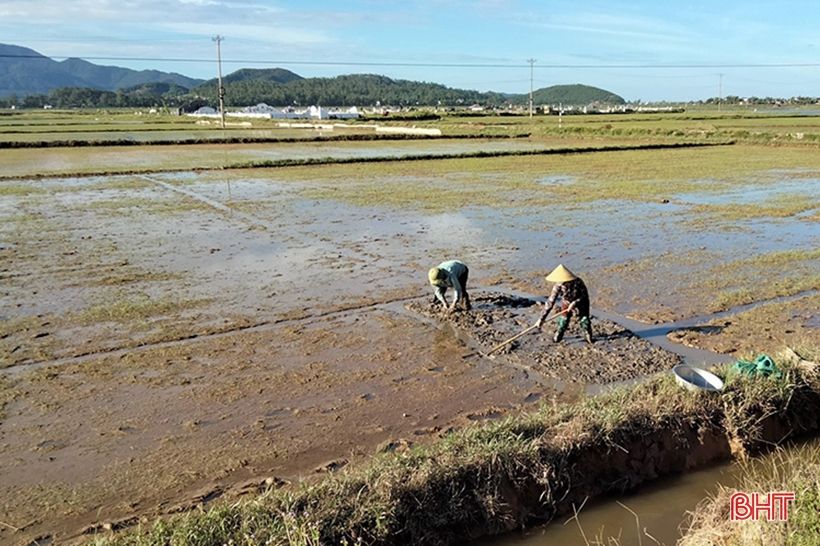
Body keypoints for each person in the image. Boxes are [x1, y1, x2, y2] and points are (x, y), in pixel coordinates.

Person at [535, 264, 593, 344]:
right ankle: (559, 335)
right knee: (564, 320)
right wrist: (541, 319)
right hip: (566, 302)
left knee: (584, 320)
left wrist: (574, 303)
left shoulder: (578, 282)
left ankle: (588, 336)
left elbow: (584, 295)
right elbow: (550, 302)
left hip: (581, 301)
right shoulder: (558, 286)